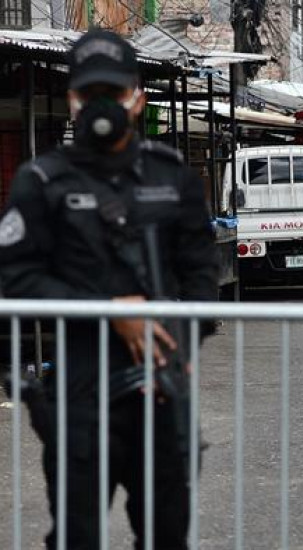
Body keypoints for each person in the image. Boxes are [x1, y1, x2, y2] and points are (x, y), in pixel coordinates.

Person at [0, 30, 219, 549]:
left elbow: (201, 269)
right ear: (73, 98)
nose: (103, 107)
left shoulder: (172, 176)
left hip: (161, 391)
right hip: (80, 389)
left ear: (138, 98)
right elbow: (13, 276)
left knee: (166, 534)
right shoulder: (41, 182)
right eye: (90, 94)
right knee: (77, 536)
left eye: (114, 94)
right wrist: (104, 310)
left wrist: (183, 343)